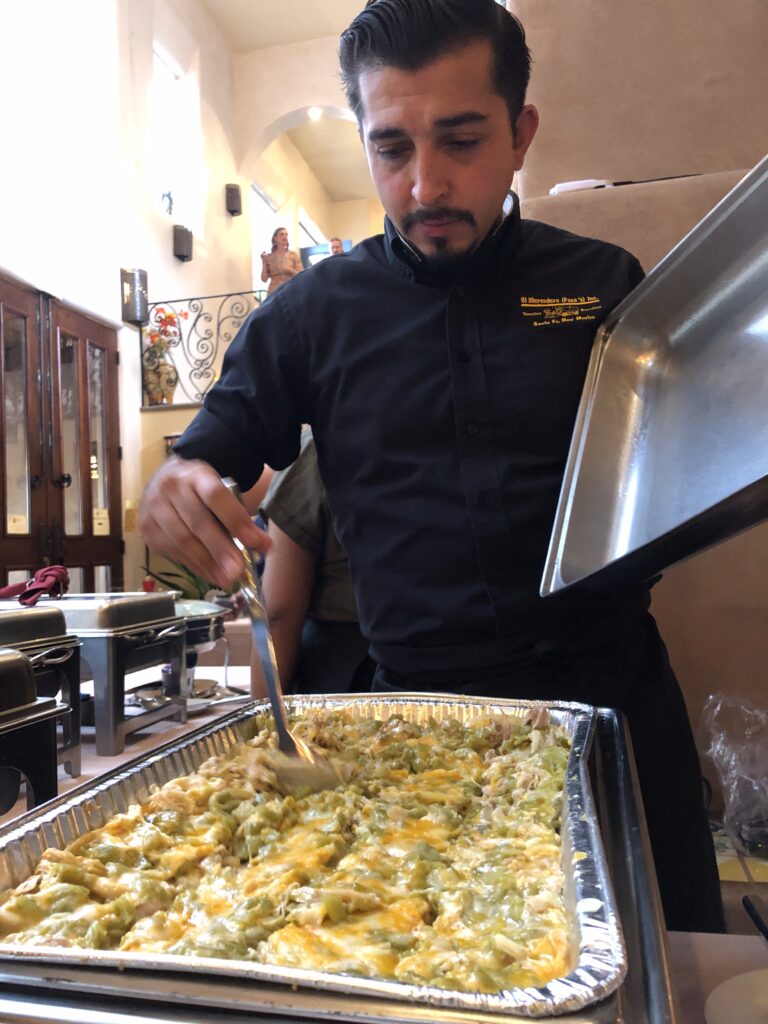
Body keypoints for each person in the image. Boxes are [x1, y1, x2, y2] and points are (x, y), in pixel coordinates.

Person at [139, 0, 724, 933]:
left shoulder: (602, 284)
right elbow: (210, 450)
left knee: (668, 958)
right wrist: (176, 486)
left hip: (613, 704)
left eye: (461, 140)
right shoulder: (309, 317)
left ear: (521, 133)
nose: (425, 185)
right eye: (392, 149)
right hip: (414, 726)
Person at [257, 425, 374, 693]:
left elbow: (279, 610)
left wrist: (262, 709)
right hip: (454, 665)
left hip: (344, 669)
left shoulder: (320, 443)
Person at [260, 227, 302, 294]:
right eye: (281, 234)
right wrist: (263, 261)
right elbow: (264, 279)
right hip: (274, 292)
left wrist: (289, 270)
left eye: (286, 235)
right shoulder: (269, 257)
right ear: (275, 238)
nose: (284, 236)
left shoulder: (293, 255)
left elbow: (301, 276)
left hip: (290, 290)